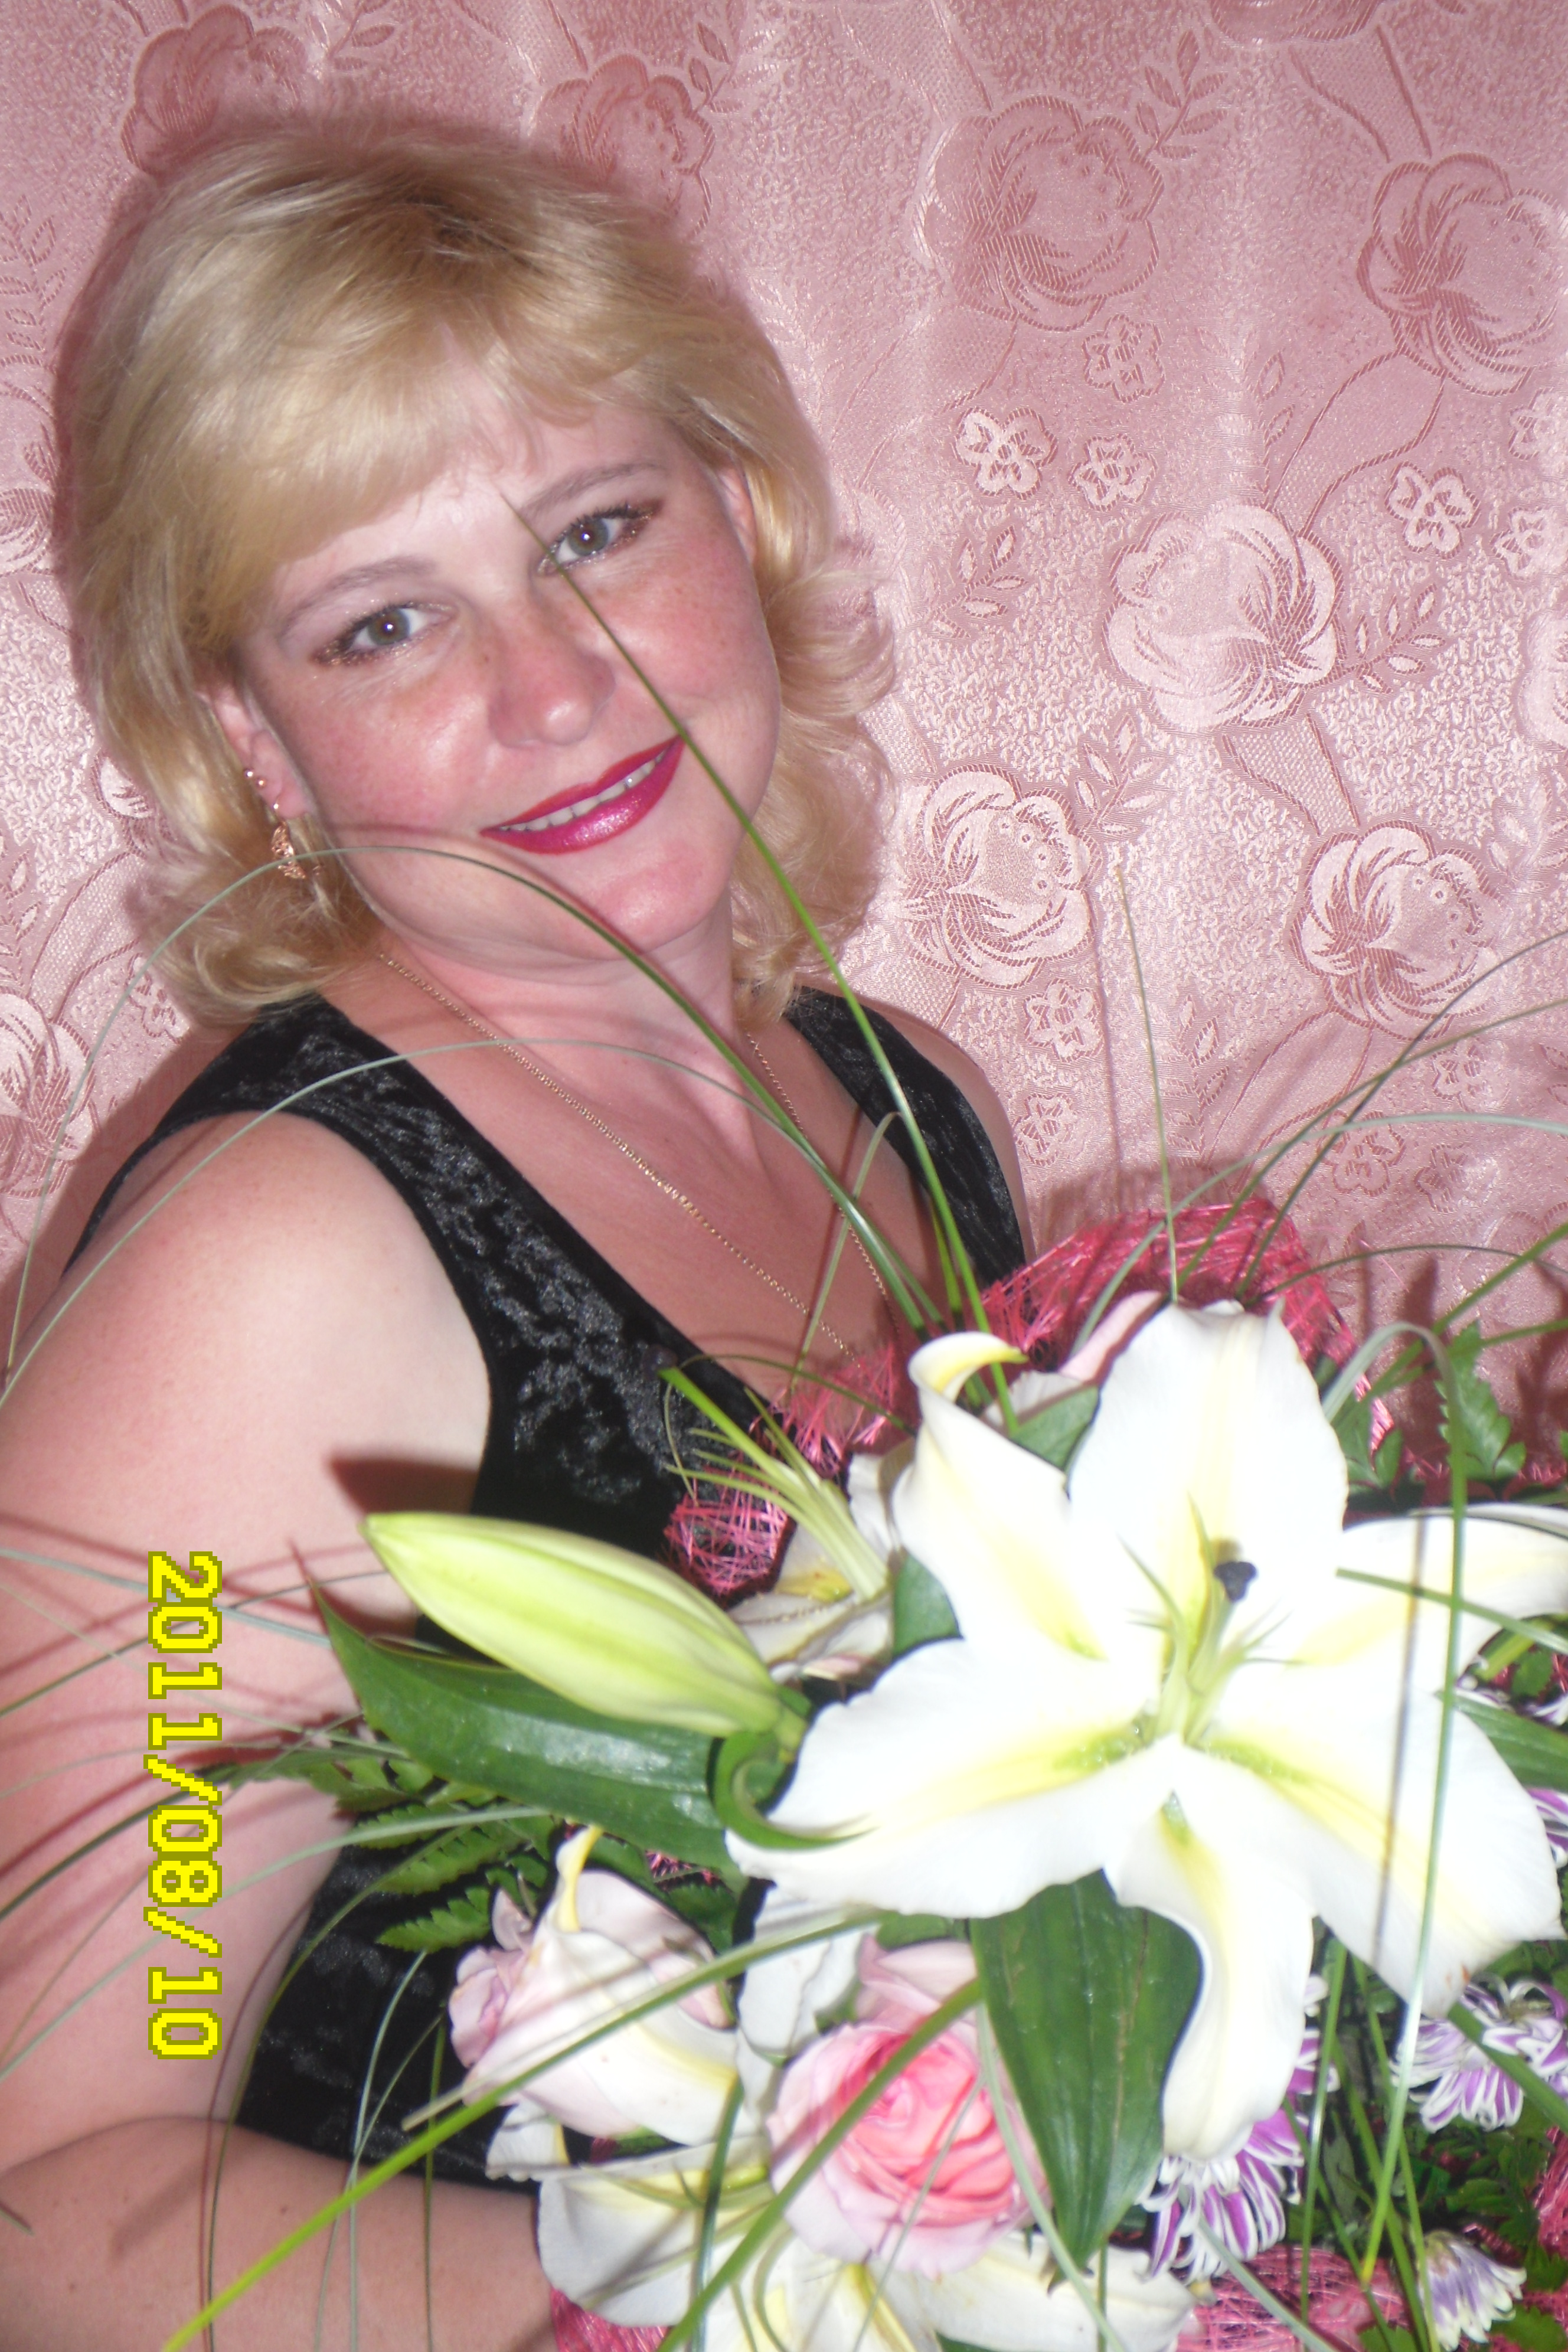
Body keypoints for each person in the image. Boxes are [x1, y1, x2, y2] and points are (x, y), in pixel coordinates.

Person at [0, 128, 1029, 2350]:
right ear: (255, 737)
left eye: (595, 531)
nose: (555, 686)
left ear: (737, 514)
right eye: (385, 622)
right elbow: (56, 2202)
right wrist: (751, 2304)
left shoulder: (910, 1108)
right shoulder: (278, 1266)